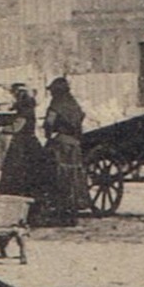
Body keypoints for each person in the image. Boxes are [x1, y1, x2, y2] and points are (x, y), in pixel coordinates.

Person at [41, 77, 88, 226]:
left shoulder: (56, 104)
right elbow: (81, 117)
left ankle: (58, 212)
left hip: (61, 144)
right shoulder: (74, 104)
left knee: (55, 175)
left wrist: (48, 135)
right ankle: (73, 212)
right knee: (73, 177)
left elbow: (49, 122)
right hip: (74, 145)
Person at [0, 83, 43, 201]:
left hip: (22, 144)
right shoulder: (29, 107)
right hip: (30, 142)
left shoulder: (24, 109)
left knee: (16, 172)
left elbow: (16, 127)